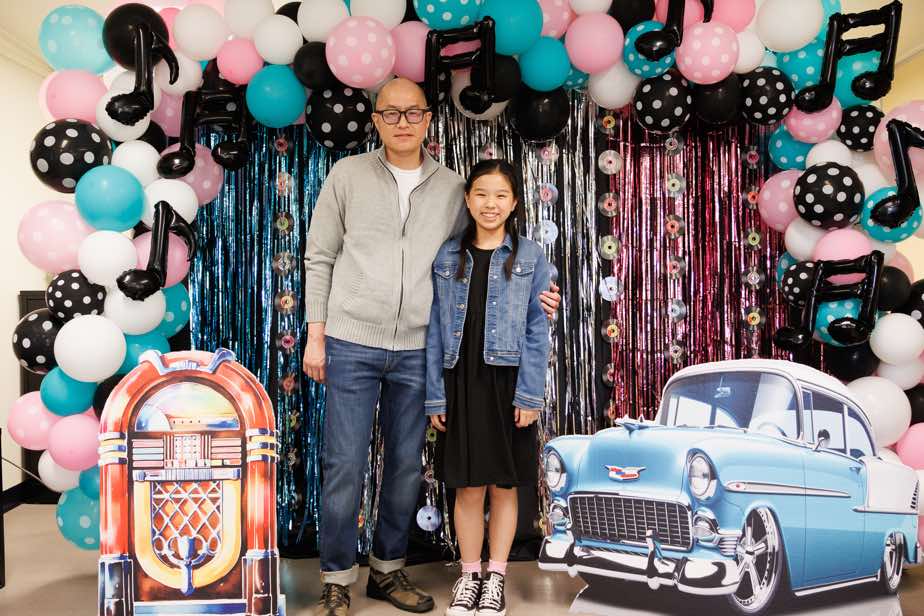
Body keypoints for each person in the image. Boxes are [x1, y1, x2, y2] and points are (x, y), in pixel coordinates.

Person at [303, 78, 560, 616]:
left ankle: (387, 570)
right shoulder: (347, 175)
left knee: (404, 466)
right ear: (376, 120)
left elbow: (487, 253)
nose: (403, 122)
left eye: (413, 112)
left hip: (420, 349)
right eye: (391, 113)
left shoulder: (451, 187)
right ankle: (336, 577)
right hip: (352, 341)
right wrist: (316, 333)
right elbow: (320, 256)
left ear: (427, 119)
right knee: (344, 464)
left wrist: (540, 296)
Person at [425, 160, 551, 616]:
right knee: (467, 486)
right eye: (481, 194)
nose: (490, 204)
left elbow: (538, 330)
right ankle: (469, 575)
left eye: (500, 195)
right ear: (467, 199)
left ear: (514, 203)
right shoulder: (447, 256)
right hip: (461, 381)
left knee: (503, 485)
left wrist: (530, 395)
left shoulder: (531, 257)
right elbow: (435, 330)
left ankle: (496, 577)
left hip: (508, 383)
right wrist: (435, 394)